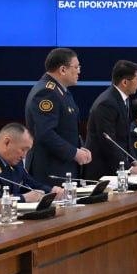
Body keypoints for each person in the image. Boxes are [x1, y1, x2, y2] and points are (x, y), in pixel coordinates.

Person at [25, 47, 91, 185]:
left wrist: (80, 148)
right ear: (62, 69)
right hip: (50, 171)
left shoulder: (61, 91)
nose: (79, 71)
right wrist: (74, 153)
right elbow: (45, 133)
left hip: (63, 167)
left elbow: (67, 130)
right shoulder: (46, 92)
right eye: (76, 67)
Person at [0, 123, 63, 207]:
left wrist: (52, 191)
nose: (24, 156)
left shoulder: (14, 160)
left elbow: (30, 183)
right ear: (7, 142)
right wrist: (23, 198)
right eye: (23, 149)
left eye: (27, 151)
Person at [85, 60, 137, 179]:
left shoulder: (124, 99)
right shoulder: (107, 103)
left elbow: (125, 137)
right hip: (103, 170)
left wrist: (133, 161)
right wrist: (128, 168)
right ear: (125, 82)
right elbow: (108, 142)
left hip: (117, 168)